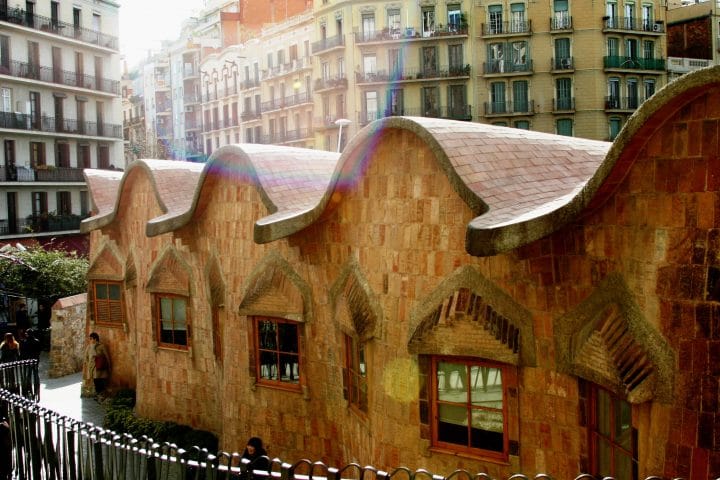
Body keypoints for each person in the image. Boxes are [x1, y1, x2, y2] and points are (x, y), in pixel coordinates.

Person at [86, 332, 110, 399]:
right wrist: (88, 364)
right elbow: (86, 357)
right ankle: (98, 394)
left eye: (91, 339)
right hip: (92, 367)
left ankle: (101, 394)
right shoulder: (89, 347)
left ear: (95, 339)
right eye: (90, 339)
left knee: (101, 380)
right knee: (95, 380)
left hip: (100, 366)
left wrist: (109, 365)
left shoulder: (101, 346)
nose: (90, 340)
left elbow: (106, 356)